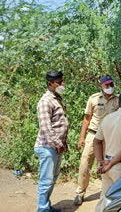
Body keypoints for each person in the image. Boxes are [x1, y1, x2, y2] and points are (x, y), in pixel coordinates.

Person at [74, 74, 119, 205]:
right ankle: (80, 193)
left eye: (112, 85)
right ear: (101, 86)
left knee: (108, 164)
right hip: (93, 135)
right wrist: (82, 137)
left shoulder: (118, 100)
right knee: (85, 163)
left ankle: (107, 193)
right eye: (107, 85)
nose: (110, 87)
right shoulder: (93, 99)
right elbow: (87, 118)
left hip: (110, 137)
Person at [93, 90, 121, 212]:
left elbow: (96, 141)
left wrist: (101, 162)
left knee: (105, 199)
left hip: (107, 164)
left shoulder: (108, 118)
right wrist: (111, 163)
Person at [34, 70, 68, 212]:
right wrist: (58, 144)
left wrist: (62, 144)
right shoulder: (45, 101)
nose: (62, 84)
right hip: (48, 147)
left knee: (52, 179)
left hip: (54, 147)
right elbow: (46, 128)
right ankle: (42, 209)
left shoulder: (56, 98)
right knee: (46, 181)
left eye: (62, 81)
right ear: (50, 84)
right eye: (59, 82)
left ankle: (46, 206)